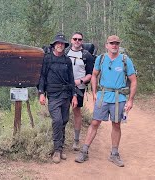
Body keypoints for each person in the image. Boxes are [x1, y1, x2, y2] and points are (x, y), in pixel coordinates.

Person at [75, 35, 137, 167]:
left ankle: (114, 154)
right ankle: (84, 151)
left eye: (116, 43)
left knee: (116, 124)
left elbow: (133, 80)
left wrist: (130, 100)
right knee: (95, 122)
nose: (114, 45)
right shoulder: (101, 59)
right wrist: (94, 92)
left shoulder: (125, 60)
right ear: (106, 45)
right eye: (112, 43)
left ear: (118, 45)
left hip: (119, 97)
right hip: (103, 95)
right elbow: (94, 75)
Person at [38, 33, 78, 164]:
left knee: (64, 121)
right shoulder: (47, 59)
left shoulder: (67, 60)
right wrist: (41, 93)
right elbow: (42, 77)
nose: (60, 45)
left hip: (66, 95)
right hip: (53, 95)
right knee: (57, 120)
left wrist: (74, 95)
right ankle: (56, 150)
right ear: (54, 45)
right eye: (58, 43)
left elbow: (71, 79)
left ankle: (60, 149)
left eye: (62, 43)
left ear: (64, 46)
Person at [66, 32, 94, 151]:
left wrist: (80, 81)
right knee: (62, 111)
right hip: (65, 87)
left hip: (79, 88)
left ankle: (76, 140)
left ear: (82, 41)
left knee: (77, 112)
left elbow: (90, 74)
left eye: (79, 39)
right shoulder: (65, 53)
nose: (77, 41)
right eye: (75, 39)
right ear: (71, 40)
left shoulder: (87, 55)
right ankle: (60, 138)